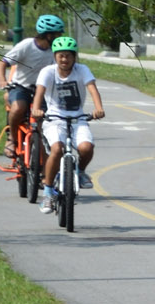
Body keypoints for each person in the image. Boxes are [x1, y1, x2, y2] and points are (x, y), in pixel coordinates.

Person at [32, 35, 104, 214]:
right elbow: (39, 92)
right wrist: (36, 109)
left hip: (77, 118)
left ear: (74, 57)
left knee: (86, 148)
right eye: (61, 55)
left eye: (69, 56)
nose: (65, 59)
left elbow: (92, 88)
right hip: (54, 120)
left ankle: (79, 172)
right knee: (57, 149)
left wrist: (98, 108)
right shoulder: (48, 72)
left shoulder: (82, 70)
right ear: (55, 56)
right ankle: (48, 192)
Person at [0, 14, 63, 155]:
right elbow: (2, 63)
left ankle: (40, 154)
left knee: (45, 121)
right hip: (22, 87)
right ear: (48, 35)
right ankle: (12, 138)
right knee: (18, 108)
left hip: (43, 90)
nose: (59, 37)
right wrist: (3, 80)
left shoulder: (55, 50)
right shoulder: (27, 45)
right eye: (57, 34)